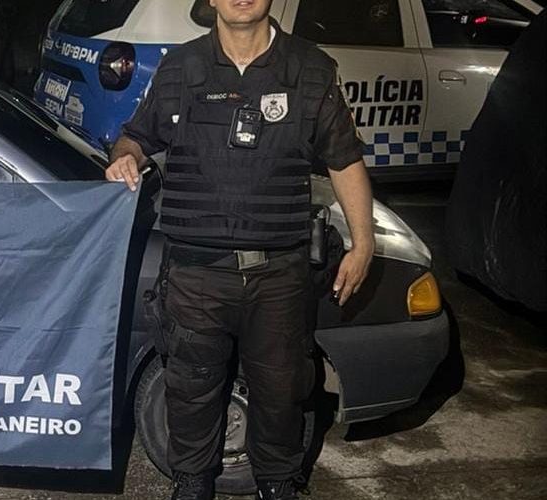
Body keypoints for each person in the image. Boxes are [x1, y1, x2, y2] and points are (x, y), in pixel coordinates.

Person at [104, 1, 374, 499]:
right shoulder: (179, 66)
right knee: (191, 390)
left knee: (282, 393)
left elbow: (344, 159)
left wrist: (365, 241)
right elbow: (135, 138)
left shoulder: (311, 68)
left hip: (279, 275)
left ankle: (277, 485)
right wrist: (125, 157)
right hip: (196, 275)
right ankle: (191, 485)